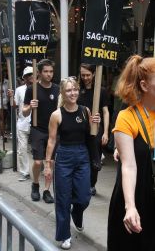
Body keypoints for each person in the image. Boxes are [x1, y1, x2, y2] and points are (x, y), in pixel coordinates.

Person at [45, 77, 100, 249]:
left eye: (75, 89)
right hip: (64, 157)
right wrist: (48, 164)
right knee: (62, 199)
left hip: (82, 156)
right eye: (68, 90)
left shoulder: (85, 111)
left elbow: (91, 135)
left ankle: (77, 213)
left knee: (84, 196)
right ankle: (64, 235)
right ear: (62, 92)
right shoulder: (56, 115)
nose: (73, 93)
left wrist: (95, 124)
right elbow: (51, 141)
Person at [107, 55, 155, 251]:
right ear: (144, 86)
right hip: (136, 198)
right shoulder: (126, 118)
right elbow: (128, 166)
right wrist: (130, 206)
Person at [23, 59, 59, 203]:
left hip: (53, 130)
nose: (49, 74)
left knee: (50, 162)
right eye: (46, 71)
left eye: (51, 71)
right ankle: (35, 184)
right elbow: (24, 112)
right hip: (37, 128)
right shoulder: (32, 89)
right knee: (38, 162)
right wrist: (30, 106)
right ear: (39, 72)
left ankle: (46, 190)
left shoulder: (57, 89)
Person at [78, 63, 110, 195]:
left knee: (95, 160)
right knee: (80, 157)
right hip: (79, 128)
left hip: (96, 129)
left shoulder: (100, 91)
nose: (85, 77)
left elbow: (106, 111)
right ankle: (81, 183)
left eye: (88, 75)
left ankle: (91, 184)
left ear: (94, 74)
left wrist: (106, 133)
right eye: (83, 75)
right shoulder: (77, 89)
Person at [8, 66, 33, 181]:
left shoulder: (40, 88)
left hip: (38, 124)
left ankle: (40, 166)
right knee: (22, 148)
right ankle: (25, 172)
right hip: (23, 123)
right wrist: (11, 97)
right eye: (28, 75)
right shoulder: (19, 90)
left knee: (38, 149)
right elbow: (14, 105)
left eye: (32, 74)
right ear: (24, 78)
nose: (31, 77)